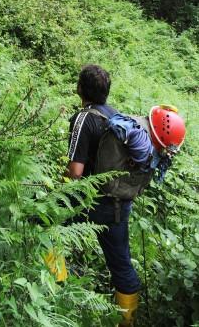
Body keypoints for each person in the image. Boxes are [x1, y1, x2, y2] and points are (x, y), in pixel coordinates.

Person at [65, 64, 185, 327]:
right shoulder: (116, 116)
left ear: (79, 89)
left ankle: (55, 290)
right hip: (121, 204)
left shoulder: (84, 118)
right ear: (107, 92)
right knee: (121, 265)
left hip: (91, 200)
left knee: (47, 228)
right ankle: (127, 321)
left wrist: (61, 195)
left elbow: (75, 173)